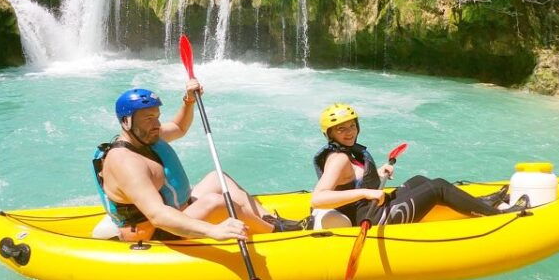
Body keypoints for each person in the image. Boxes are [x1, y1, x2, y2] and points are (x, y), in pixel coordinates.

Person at [91, 81, 309, 242]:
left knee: (218, 178)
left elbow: (179, 128)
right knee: (216, 201)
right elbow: (157, 216)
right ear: (126, 122)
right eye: (149, 119)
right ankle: (278, 237)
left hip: (180, 211)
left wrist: (189, 100)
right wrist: (212, 231)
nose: (157, 124)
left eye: (157, 116)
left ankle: (268, 221)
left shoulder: (146, 136)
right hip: (155, 233)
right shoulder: (125, 162)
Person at [310, 103, 528, 229]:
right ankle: (496, 216)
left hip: (372, 207)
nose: (349, 132)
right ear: (330, 134)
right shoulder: (337, 158)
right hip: (372, 218)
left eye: (352, 126)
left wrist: (377, 173)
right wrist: (367, 191)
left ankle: (480, 203)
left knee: (420, 180)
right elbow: (318, 198)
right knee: (437, 188)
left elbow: (351, 181)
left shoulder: (348, 152)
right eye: (341, 129)